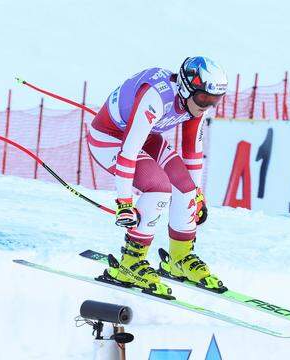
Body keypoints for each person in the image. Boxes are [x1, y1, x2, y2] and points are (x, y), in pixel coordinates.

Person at [87, 57, 227, 297]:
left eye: (214, 100)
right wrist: (124, 203)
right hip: (110, 139)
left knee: (184, 187)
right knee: (158, 186)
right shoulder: (155, 96)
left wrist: (197, 195)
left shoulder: (193, 102)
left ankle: (180, 258)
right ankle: (131, 263)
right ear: (186, 87)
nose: (207, 105)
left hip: (145, 137)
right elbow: (128, 152)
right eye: (204, 98)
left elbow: (193, 153)